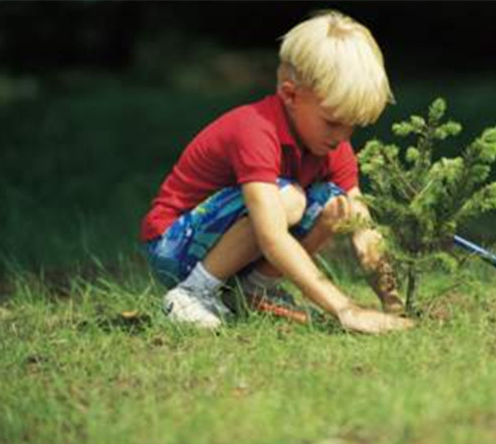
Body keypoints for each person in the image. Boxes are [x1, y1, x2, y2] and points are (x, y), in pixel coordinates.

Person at [139, 10, 414, 334]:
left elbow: (363, 229)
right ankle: (190, 294)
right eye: (333, 121)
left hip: (224, 246)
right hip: (173, 245)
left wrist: (394, 306)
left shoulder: (333, 145)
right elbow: (271, 236)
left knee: (339, 205)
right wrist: (346, 310)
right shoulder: (255, 130)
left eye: (352, 126)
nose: (343, 137)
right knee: (289, 200)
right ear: (290, 94)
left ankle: (254, 291)